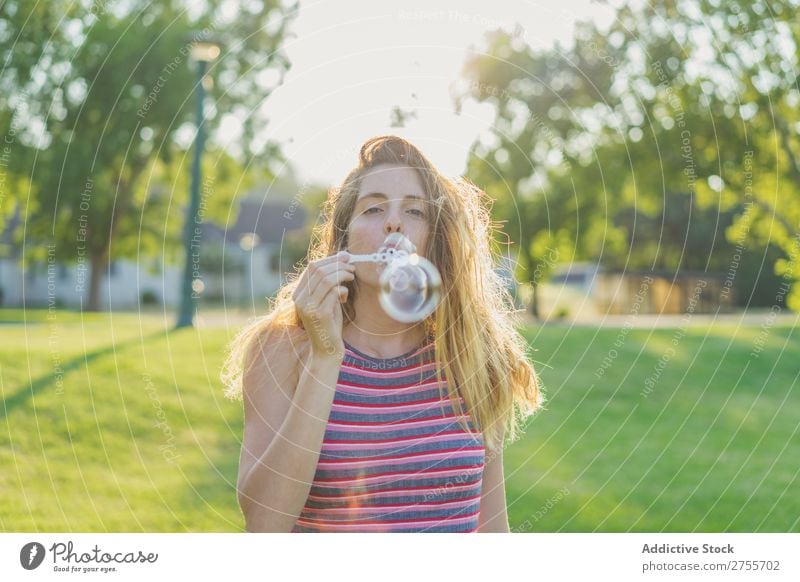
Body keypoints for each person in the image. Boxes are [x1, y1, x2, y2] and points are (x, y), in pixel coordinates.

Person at [221, 135, 542, 532]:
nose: (393, 222)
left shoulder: (471, 352)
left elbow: (494, 532)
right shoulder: (282, 349)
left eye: (414, 211)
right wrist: (325, 355)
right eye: (373, 208)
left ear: (433, 240)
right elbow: (263, 525)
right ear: (344, 238)